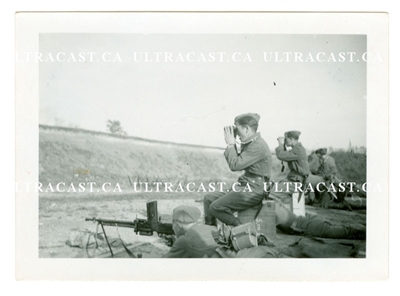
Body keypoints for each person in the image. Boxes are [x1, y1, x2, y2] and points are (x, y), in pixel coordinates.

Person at [268, 131, 365, 239]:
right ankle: (292, 222)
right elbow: (287, 156)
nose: (285, 141)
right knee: (293, 206)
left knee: (272, 195)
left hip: (297, 181)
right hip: (297, 180)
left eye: (286, 139)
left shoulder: (298, 149)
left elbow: (282, 155)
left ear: (291, 139)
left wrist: (280, 144)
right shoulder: (297, 149)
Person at [203, 113, 272, 227]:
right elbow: (238, 159)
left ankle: (243, 229)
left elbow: (235, 165)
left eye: (238, 129)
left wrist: (231, 144)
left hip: (255, 190)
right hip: (247, 186)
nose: (236, 132)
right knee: (209, 198)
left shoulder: (258, 145)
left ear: (246, 129)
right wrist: (234, 142)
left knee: (216, 207)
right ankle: (209, 231)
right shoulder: (251, 142)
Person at [162, 205, 279, 258]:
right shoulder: (210, 228)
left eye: (173, 224)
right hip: (261, 252)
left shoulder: (183, 240)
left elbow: (165, 263)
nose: (173, 227)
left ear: (177, 224)